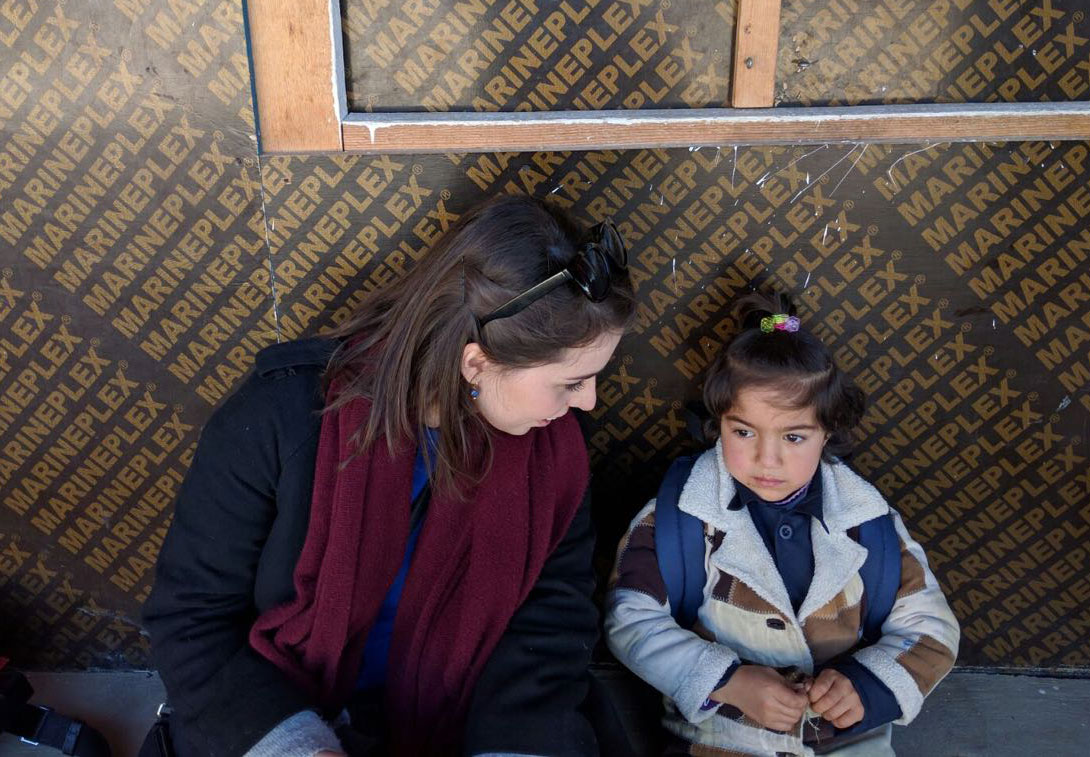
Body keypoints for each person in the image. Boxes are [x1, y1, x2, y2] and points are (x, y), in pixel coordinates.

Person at [143, 194, 635, 757]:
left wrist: (511, 749)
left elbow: (550, 623)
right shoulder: (279, 420)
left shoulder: (553, 454)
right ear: (476, 363)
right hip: (283, 713)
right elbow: (191, 620)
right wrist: (298, 748)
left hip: (474, 717)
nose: (590, 402)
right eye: (571, 382)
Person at [603, 293, 959, 756]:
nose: (766, 460)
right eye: (744, 432)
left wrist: (866, 687)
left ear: (827, 432)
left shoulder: (867, 522)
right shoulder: (678, 519)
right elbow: (629, 617)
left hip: (846, 742)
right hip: (719, 740)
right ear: (718, 424)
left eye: (793, 437)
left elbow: (931, 626)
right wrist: (727, 681)